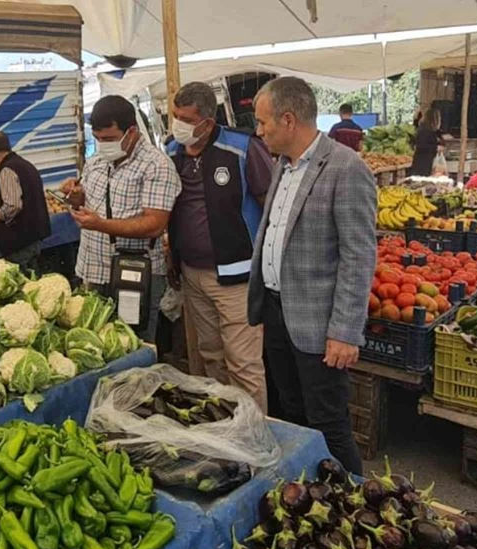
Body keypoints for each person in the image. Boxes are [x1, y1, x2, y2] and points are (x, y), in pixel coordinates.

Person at [248, 77, 377, 474]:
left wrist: (344, 331)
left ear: (288, 119)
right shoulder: (282, 166)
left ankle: (356, 505)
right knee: (289, 414)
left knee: (327, 423)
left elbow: (358, 256)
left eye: (262, 122)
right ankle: (305, 491)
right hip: (276, 311)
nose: (259, 131)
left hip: (319, 325)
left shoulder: (345, 168)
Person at [165, 81, 272, 411]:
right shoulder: (172, 151)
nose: (177, 125)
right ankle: (226, 424)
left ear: (207, 123)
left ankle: (255, 435)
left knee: (243, 364)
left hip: (237, 277)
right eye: (174, 116)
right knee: (211, 357)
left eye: (184, 118)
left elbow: (271, 203)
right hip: (192, 275)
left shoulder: (242, 148)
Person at [61, 95, 181, 343]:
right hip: (93, 271)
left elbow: (155, 224)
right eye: (98, 139)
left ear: (132, 132)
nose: (103, 144)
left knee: (134, 343)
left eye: (109, 139)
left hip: (134, 273)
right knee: (94, 344)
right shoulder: (95, 161)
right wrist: (76, 198)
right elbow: (89, 201)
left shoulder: (157, 165)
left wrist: (100, 224)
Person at [0, 131, 50, 273]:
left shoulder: (7, 169)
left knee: (22, 284)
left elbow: (13, 205)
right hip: (34, 236)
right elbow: (25, 195)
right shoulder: (25, 164)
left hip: (20, 241)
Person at [409, 107, 444, 177]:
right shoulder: (424, 130)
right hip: (422, 164)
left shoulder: (431, 130)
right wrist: (436, 147)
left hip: (427, 163)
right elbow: (421, 146)